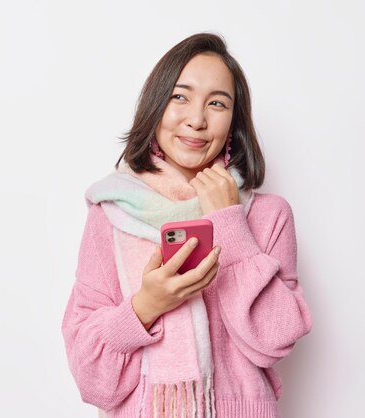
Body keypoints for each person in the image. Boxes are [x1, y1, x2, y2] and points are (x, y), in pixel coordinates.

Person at [61, 33, 312, 418]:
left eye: (217, 103)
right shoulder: (112, 214)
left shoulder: (268, 215)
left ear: (234, 122)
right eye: (180, 96)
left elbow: (275, 341)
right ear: (156, 106)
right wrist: (147, 306)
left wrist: (228, 223)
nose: (196, 119)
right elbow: (92, 379)